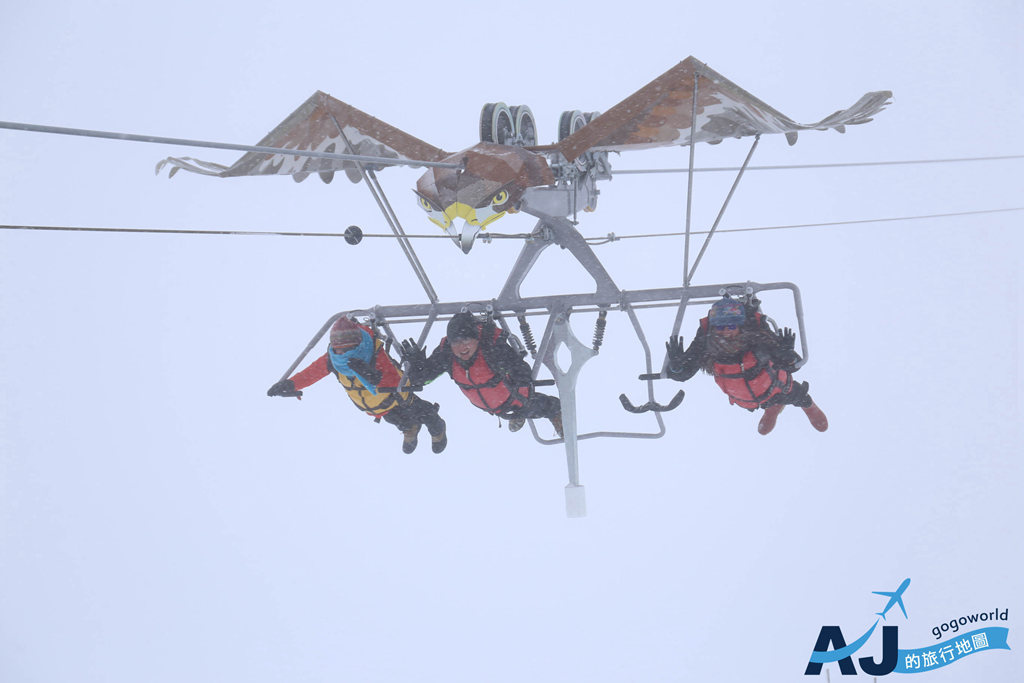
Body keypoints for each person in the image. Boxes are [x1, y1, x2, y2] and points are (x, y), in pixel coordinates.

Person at [267, 317, 447, 453]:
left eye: (347, 348)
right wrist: (291, 384)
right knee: (396, 419)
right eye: (338, 348)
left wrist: (370, 374)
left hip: (398, 398)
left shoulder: (373, 353)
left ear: (357, 344)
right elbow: (313, 372)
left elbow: (395, 381)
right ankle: (410, 428)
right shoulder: (334, 360)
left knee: (422, 412)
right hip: (376, 406)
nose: (342, 352)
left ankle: (437, 427)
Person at [664, 296, 828, 434]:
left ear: (740, 326)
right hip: (744, 397)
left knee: (798, 395)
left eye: (731, 326)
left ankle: (807, 406)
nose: (726, 331)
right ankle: (772, 409)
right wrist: (677, 365)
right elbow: (683, 373)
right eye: (720, 326)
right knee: (764, 402)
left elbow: (792, 365)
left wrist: (786, 353)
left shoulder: (757, 339)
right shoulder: (707, 344)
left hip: (776, 387)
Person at [400, 312, 563, 437]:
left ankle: (556, 413)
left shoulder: (492, 350)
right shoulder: (448, 355)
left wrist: (517, 372)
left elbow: (520, 369)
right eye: (455, 342)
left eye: (466, 340)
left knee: (540, 406)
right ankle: (514, 415)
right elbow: (422, 378)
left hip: (516, 399)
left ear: (476, 339)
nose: (461, 347)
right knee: (508, 409)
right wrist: (416, 364)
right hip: (491, 405)